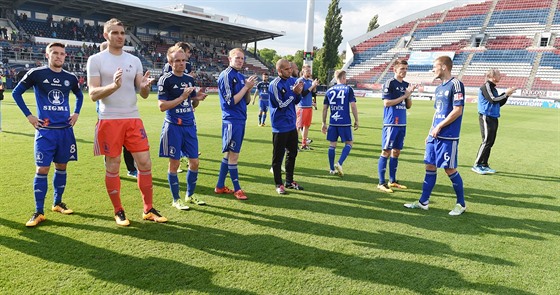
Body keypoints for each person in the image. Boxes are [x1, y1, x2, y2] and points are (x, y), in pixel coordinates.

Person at [87, 18, 167, 226]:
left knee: (145, 162)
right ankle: (118, 210)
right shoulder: (96, 60)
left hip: (133, 119)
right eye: (115, 33)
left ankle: (148, 209)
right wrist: (113, 86)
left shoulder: (135, 60)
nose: (120, 36)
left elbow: (144, 94)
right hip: (109, 120)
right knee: (113, 165)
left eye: (122, 33)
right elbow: (93, 94)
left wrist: (146, 86)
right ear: (106, 35)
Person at [12, 42, 83, 227]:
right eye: (55, 53)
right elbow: (16, 93)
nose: (58, 56)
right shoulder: (37, 74)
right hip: (45, 131)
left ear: (65, 56)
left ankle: (57, 203)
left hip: (65, 131)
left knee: (62, 167)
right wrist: (30, 116)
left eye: (62, 53)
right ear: (47, 55)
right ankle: (38, 211)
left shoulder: (70, 77)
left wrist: (76, 113)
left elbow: (80, 95)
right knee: (42, 169)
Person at [404, 55, 466, 216]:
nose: (433, 69)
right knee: (429, 165)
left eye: (435, 66)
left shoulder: (456, 84)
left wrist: (439, 126)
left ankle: (461, 204)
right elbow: (437, 112)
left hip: (448, 135)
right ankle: (423, 202)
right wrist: (430, 131)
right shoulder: (439, 88)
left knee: (449, 168)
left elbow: (457, 110)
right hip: (434, 135)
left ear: (444, 67)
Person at [157, 45, 207, 210]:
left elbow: (193, 102)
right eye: (177, 61)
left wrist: (198, 97)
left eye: (183, 60)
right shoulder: (165, 79)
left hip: (189, 125)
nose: (181, 63)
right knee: (174, 164)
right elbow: (162, 106)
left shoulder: (189, 79)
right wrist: (182, 96)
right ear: (170, 62)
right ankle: (176, 199)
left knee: (195, 162)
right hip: (174, 127)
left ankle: (190, 195)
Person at [214, 48, 257, 200]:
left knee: (229, 154)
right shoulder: (226, 75)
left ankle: (220, 186)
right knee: (234, 156)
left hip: (240, 119)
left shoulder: (240, 76)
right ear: (229, 59)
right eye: (237, 58)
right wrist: (245, 87)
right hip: (231, 120)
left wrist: (248, 89)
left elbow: (245, 101)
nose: (240, 60)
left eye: (242, 58)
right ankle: (237, 189)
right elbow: (230, 101)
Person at [376, 59, 417, 193]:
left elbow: (408, 106)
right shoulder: (389, 83)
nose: (404, 71)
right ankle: (381, 182)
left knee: (396, 152)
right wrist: (404, 95)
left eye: (406, 69)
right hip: (391, 123)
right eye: (402, 69)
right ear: (395, 70)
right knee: (386, 151)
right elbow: (387, 103)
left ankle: (392, 180)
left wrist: (409, 96)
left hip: (402, 123)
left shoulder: (406, 85)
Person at [100, 40, 137, 178]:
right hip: (108, 116)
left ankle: (131, 169)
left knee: (128, 144)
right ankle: (111, 168)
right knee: (111, 146)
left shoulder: (122, 66)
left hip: (126, 114)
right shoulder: (100, 70)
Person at [269, 59, 304, 194]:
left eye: (290, 68)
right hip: (279, 126)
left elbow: (296, 101)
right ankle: (279, 184)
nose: (290, 70)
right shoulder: (274, 85)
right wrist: (293, 93)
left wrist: (299, 93)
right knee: (277, 157)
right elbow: (281, 104)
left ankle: (289, 181)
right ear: (279, 70)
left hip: (291, 125)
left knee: (292, 153)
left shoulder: (291, 81)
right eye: (287, 69)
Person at [472, 69, 517, 175]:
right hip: (486, 117)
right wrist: (505, 93)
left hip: (493, 117)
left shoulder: (493, 88)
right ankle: (477, 164)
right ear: (492, 76)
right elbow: (493, 99)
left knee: (490, 142)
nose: (501, 76)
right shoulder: (486, 86)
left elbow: (498, 103)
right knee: (486, 141)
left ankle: (484, 164)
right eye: (499, 75)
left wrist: (507, 95)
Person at [321, 69, 359, 177]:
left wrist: (323, 122)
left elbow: (324, 108)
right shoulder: (348, 89)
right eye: (345, 78)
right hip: (345, 122)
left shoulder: (329, 91)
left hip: (333, 122)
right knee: (349, 143)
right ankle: (339, 163)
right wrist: (356, 119)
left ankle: (331, 169)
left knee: (332, 145)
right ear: (342, 78)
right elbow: (353, 105)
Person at [296, 64, 319, 150]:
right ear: (303, 71)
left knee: (306, 126)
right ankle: (294, 144)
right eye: (307, 71)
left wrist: (315, 87)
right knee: (298, 126)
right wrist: (312, 86)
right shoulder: (300, 81)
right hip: (302, 107)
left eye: (310, 71)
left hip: (309, 107)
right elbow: (303, 94)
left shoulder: (310, 81)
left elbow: (312, 93)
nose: (309, 72)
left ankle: (304, 144)